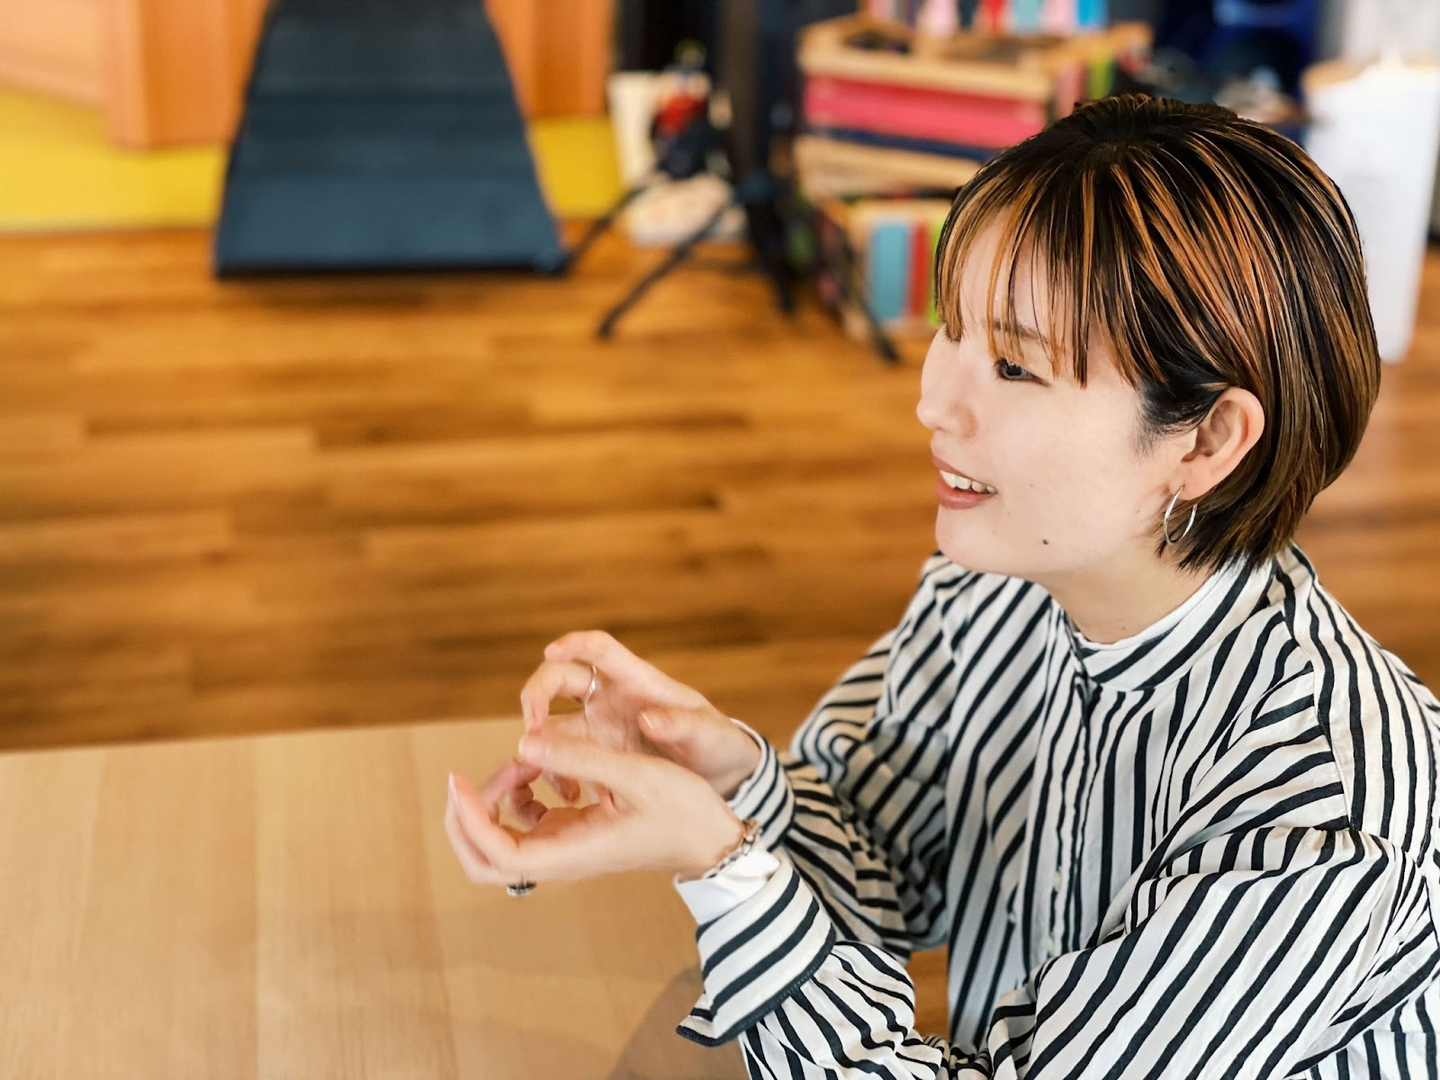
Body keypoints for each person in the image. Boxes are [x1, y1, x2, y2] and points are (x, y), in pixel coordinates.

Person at [443, 94, 1440, 1077]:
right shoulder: (998, 594)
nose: (931, 401)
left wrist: (727, 866)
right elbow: (890, 856)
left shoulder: (1315, 825)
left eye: (1013, 367)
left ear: (1206, 440)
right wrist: (714, 776)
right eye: (949, 328)